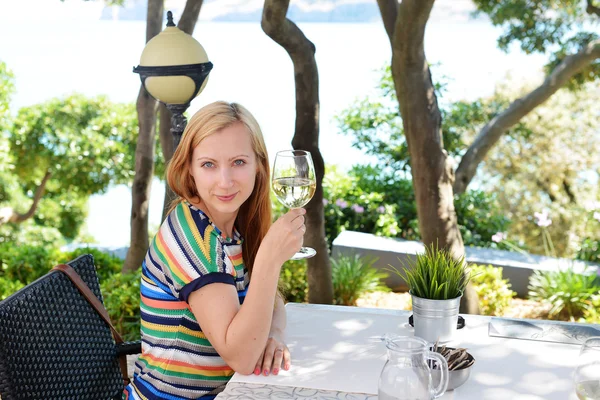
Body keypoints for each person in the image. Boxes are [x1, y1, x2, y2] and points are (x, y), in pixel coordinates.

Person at [123, 101, 306, 400]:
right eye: (209, 164)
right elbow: (242, 357)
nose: (225, 181)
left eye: (238, 162)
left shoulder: (234, 228)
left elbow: (271, 302)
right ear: (190, 170)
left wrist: (272, 335)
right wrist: (270, 260)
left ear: (259, 166)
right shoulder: (195, 238)